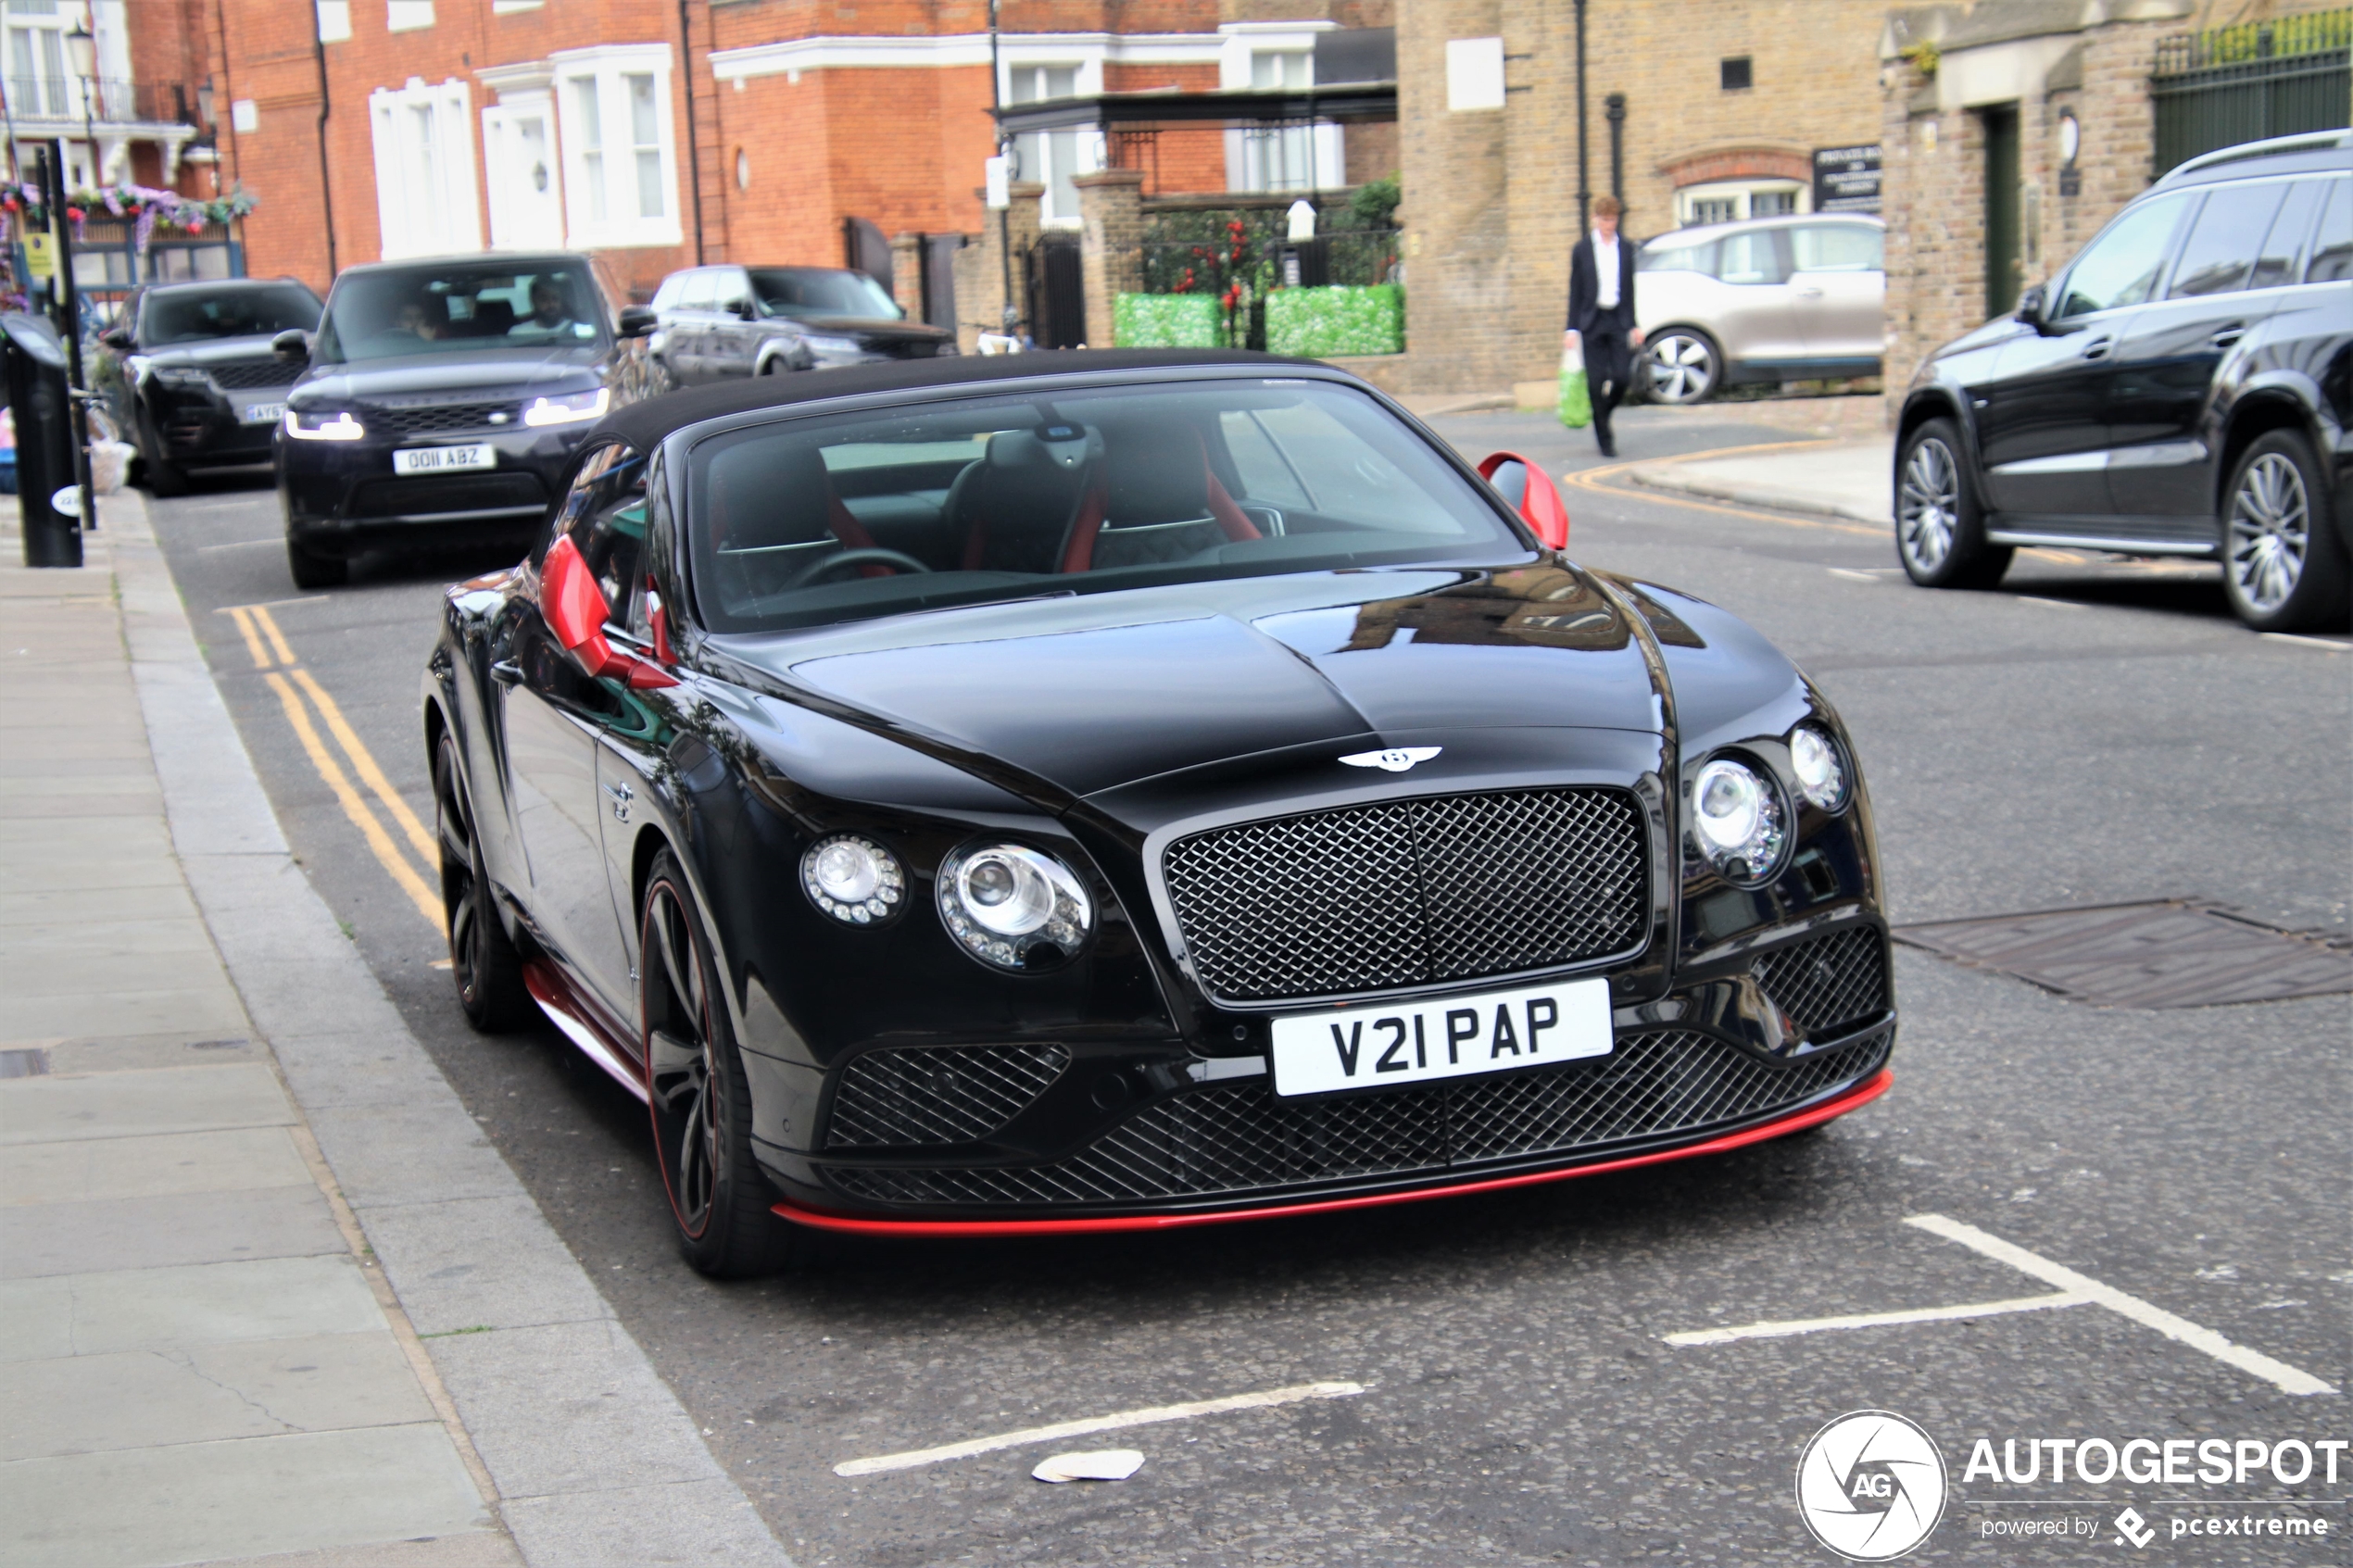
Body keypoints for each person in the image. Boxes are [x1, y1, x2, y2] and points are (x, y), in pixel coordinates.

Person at [1565, 195, 1643, 458]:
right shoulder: (1582, 249)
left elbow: (1630, 289)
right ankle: (1605, 439)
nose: (1609, 224)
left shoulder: (1626, 248)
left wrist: (1634, 325)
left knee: (1622, 377)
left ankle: (1601, 414)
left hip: (1618, 320)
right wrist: (1571, 328)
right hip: (1592, 321)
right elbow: (1575, 290)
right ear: (1595, 219)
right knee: (1596, 382)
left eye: (1613, 219)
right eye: (1605, 219)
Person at [510, 277, 578, 337]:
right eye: (544, 300)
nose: (551, 304)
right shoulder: (518, 333)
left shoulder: (576, 329)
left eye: (555, 299)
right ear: (533, 301)